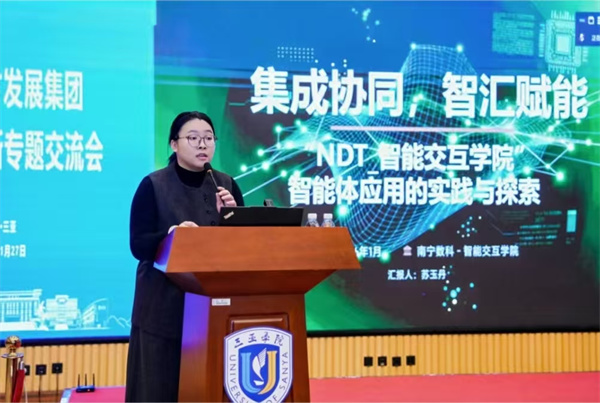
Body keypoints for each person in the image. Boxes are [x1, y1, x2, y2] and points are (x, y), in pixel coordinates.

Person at [125, 111, 244, 402]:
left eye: (208, 138)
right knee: (159, 390)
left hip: (213, 308)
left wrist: (232, 217)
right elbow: (138, 245)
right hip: (163, 308)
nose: (202, 144)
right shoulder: (153, 185)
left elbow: (243, 248)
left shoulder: (227, 186)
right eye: (193, 138)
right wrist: (172, 235)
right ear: (174, 144)